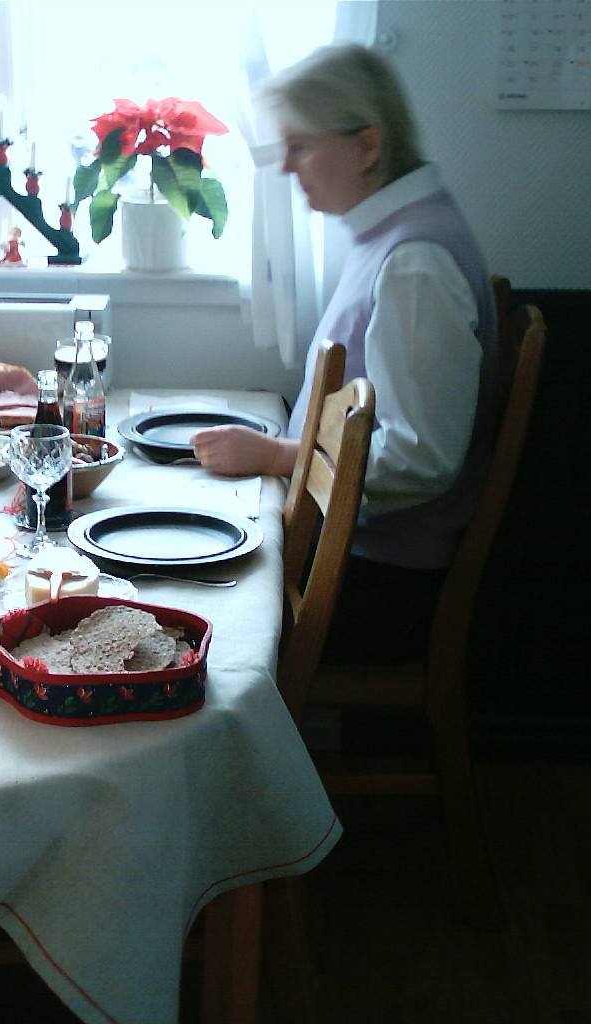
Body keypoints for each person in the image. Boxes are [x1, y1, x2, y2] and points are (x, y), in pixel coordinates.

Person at [190, 44, 497, 662]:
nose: (288, 167)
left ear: (368, 146)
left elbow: (420, 458)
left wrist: (279, 455)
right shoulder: (392, 234)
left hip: (380, 579)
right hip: (351, 550)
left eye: (301, 146)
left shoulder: (414, 263)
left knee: (179, 604)